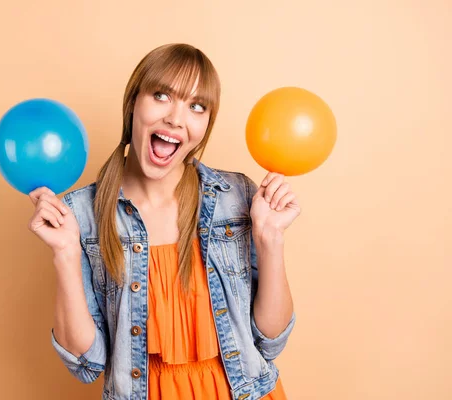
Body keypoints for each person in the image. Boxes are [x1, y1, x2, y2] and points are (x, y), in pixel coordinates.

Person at [28, 43, 300, 400]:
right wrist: (65, 252)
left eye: (196, 106)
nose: (176, 118)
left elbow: (270, 339)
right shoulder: (82, 214)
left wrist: (271, 238)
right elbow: (85, 364)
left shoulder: (237, 197)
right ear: (133, 104)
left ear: (206, 124)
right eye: (161, 95)